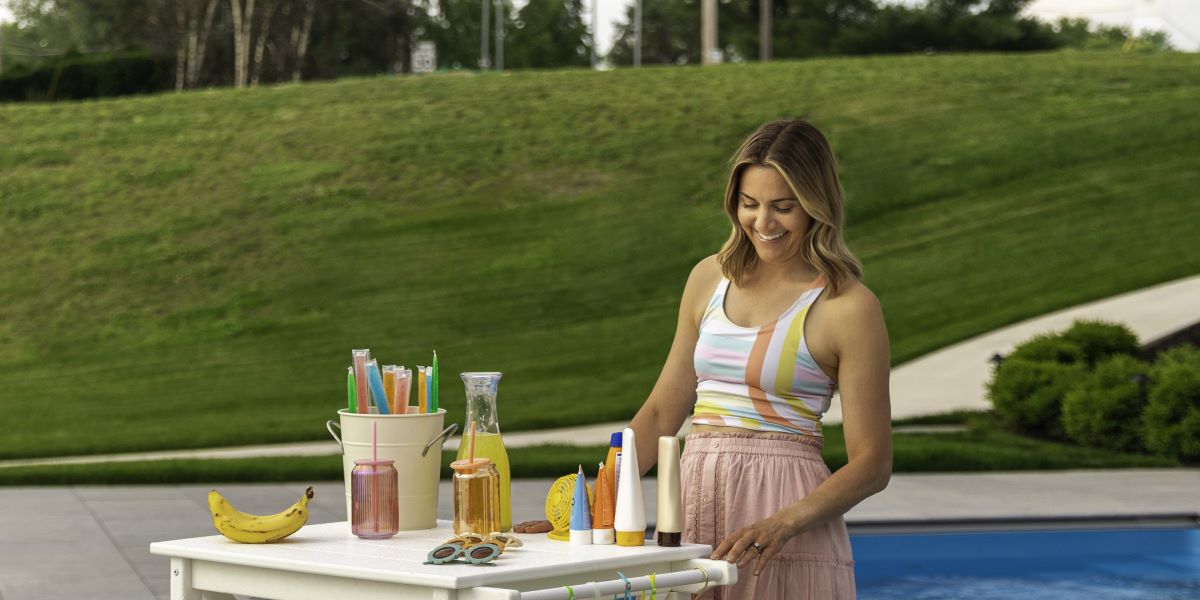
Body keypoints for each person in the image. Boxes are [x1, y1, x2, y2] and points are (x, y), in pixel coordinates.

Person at [517, 119, 892, 599]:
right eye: (749, 204)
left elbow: (873, 463)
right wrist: (589, 508)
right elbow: (658, 415)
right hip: (693, 502)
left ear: (818, 205)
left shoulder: (848, 306)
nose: (763, 223)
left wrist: (784, 522)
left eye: (784, 207)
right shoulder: (709, 279)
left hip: (785, 520)